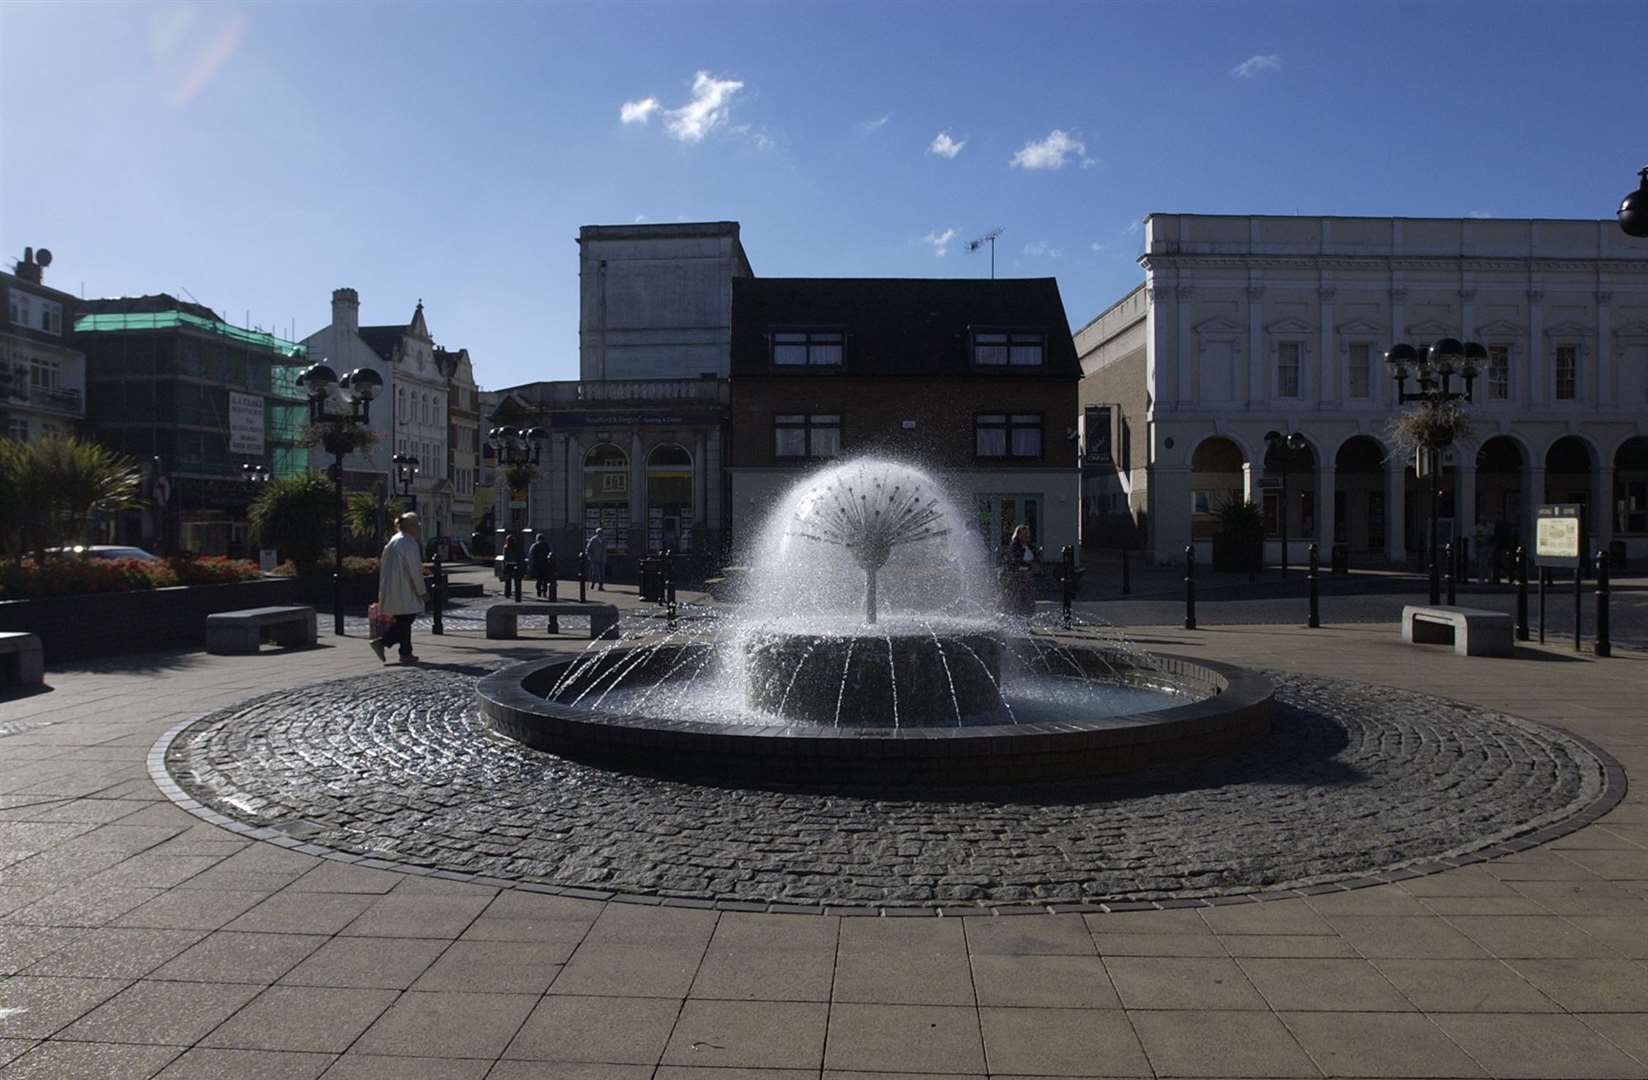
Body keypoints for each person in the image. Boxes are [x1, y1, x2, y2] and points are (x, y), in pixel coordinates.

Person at [371, 512, 427, 664]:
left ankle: (405, 652)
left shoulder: (394, 540)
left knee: (403, 619)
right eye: (417, 525)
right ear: (412, 527)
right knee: (406, 620)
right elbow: (414, 570)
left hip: (393, 587)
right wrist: (422, 591)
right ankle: (383, 642)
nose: (419, 529)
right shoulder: (408, 543)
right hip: (405, 587)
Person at [528, 532, 553, 599]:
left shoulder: (535, 546)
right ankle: (544, 591)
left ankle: (539, 591)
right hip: (545, 564)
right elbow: (550, 554)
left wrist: (531, 565)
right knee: (545, 579)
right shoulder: (546, 545)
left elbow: (531, 555)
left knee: (539, 579)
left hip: (537, 565)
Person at [584, 527, 608, 591]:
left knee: (602, 573)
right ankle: (593, 583)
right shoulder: (593, 540)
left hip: (602, 559)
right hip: (594, 559)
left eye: (601, 532)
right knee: (595, 572)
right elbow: (587, 549)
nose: (601, 534)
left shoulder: (604, 540)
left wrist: (605, 556)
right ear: (597, 533)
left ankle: (600, 586)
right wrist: (589, 556)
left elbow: (605, 549)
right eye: (599, 533)